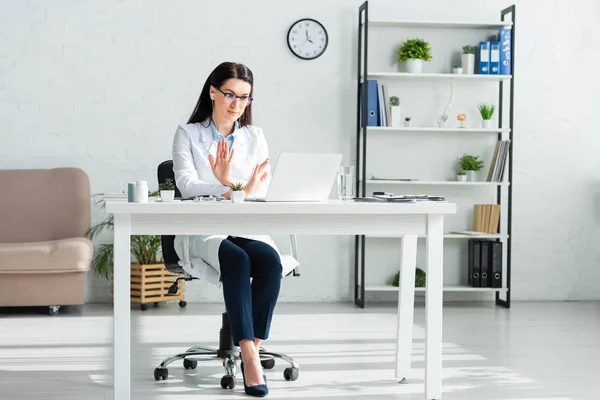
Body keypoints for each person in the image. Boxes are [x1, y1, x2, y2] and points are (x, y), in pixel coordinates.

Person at [171, 61, 289, 397]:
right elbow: (186, 183)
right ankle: (249, 356)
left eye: (245, 98)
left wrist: (231, 182)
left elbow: (261, 190)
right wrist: (230, 188)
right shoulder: (188, 133)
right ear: (212, 92)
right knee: (237, 261)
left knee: (270, 261)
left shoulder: (255, 136)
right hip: (203, 228)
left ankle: (253, 342)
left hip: (245, 225)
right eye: (229, 94)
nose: (236, 104)